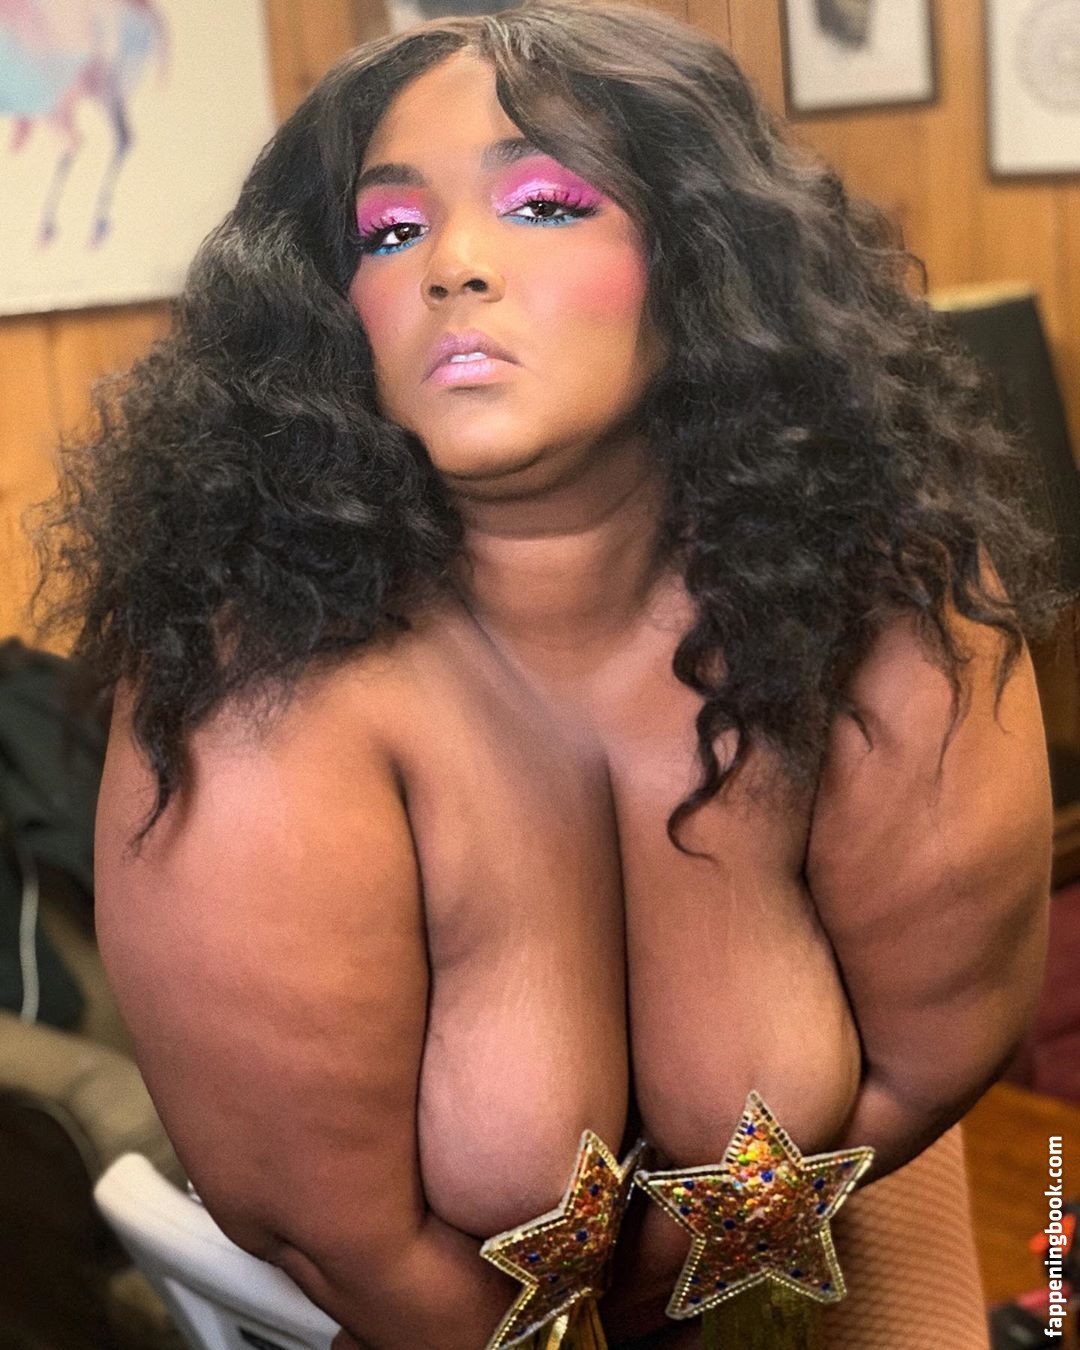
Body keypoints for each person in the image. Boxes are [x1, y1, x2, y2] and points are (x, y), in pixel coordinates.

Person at [31, 1, 1070, 1345]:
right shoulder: (259, 698)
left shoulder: (889, 592)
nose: (453, 265)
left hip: (838, 1236)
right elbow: (338, 1238)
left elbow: (930, 1062)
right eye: (390, 232)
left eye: (544, 204)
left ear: (701, 259)